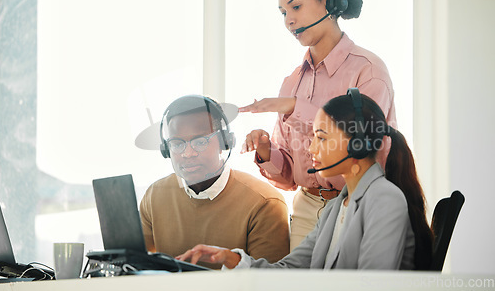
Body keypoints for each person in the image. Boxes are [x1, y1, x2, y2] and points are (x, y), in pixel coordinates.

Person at [177, 89, 432, 270]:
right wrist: (232, 259)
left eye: (321, 137)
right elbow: (291, 269)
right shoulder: (336, 208)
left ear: (357, 143)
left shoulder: (385, 200)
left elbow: (372, 286)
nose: (311, 149)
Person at [239, 0, 397, 250]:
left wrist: (294, 107)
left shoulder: (369, 70)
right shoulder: (291, 83)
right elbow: (289, 177)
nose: (288, 20)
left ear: (328, 3)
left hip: (359, 205)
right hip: (306, 210)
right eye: (283, 12)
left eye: (296, 7)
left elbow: (359, 142)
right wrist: (267, 150)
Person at [139, 95, 290, 269]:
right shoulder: (154, 195)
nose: (188, 153)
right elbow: (138, 264)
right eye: (177, 144)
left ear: (225, 142)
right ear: (166, 149)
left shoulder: (264, 203)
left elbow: (270, 283)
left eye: (200, 141)